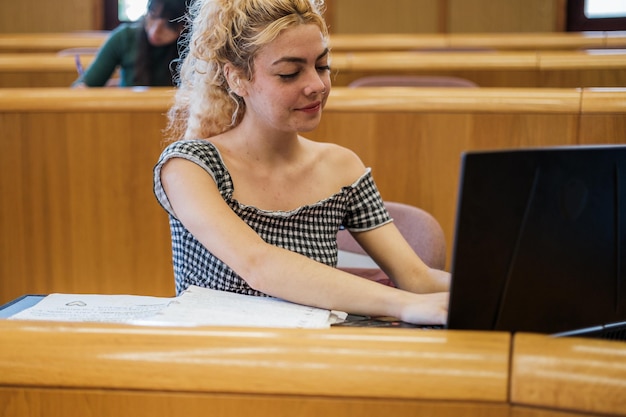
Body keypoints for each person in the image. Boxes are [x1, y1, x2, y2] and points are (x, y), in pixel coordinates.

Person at [153, 0, 451, 325]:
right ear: (237, 78)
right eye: (289, 73)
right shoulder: (190, 167)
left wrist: (501, 290)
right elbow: (259, 265)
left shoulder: (342, 166)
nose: (317, 85)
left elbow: (416, 278)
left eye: (321, 66)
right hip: (217, 361)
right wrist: (401, 304)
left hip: (313, 357)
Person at [72, 0, 188, 87]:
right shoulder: (125, 37)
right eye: (153, 15)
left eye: (169, 24)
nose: (155, 31)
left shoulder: (192, 47)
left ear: (184, 25)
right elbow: (84, 86)